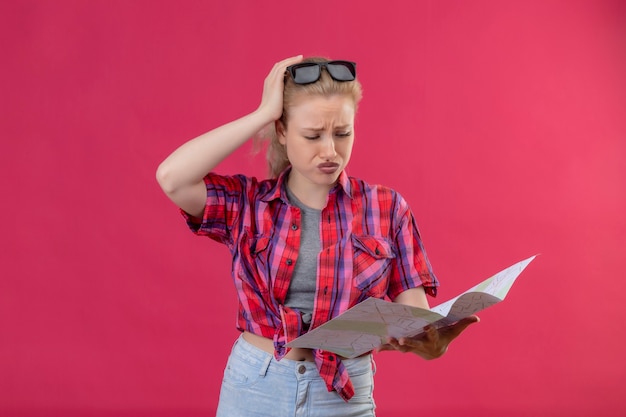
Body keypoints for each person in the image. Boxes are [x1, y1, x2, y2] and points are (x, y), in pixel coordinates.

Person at [156, 55, 479, 416]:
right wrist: (263, 114)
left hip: (343, 393)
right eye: (312, 135)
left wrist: (428, 341)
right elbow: (172, 177)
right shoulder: (249, 204)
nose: (330, 151)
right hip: (255, 388)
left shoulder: (386, 208)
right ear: (282, 132)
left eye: (342, 133)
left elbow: (412, 315)